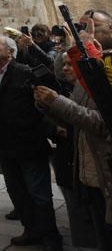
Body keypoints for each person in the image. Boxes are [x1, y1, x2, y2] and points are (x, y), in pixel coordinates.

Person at [0, 35, 62, 250]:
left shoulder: (25, 72)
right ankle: (31, 230)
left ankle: (51, 236)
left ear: (10, 52)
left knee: (39, 194)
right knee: (18, 193)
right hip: (4, 145)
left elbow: (47, 101)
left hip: (29, 143)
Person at [35, 51, 112, 249]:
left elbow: (100, 123)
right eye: (65, 64)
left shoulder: (103, 85)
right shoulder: (80, 86)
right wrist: (48, 105)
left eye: (71, 64)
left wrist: (57, 101)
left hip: (104, 172)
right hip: (87, 173)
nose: (65, 68)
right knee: (99, 231)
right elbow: (74, 124)